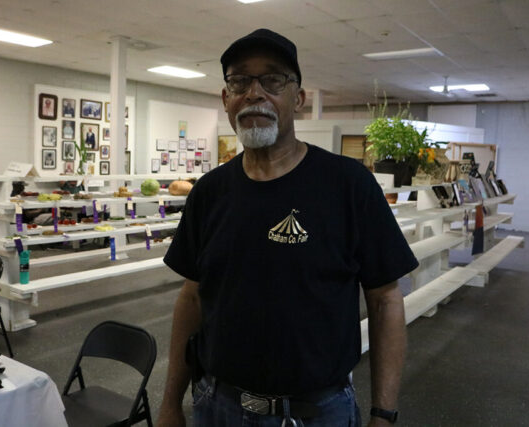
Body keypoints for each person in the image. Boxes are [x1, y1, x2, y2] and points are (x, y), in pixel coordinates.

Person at [157, 29, 419, 427]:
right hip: (217, 406)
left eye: (273, 79)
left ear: (298, 98)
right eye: (240, 81)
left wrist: (383, 414)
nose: (254, 93)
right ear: (226, 99)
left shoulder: (348, 185)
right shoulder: (209, 192)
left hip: (319, 413)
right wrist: (170, 404)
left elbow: (385, 300)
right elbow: (192, 298)